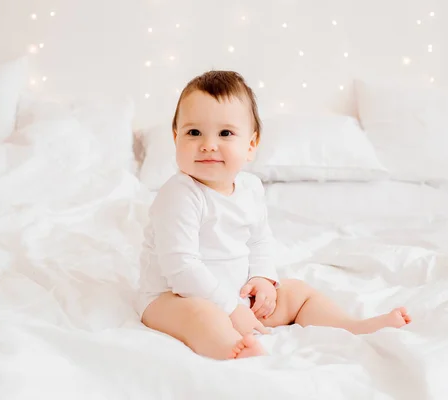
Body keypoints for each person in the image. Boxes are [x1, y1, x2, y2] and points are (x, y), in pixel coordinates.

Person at [135, 70, 411, 360]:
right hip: (172, 299)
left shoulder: (250, 188)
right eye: (194, 132)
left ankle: (352, 327)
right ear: (176, 136)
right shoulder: (180, 194)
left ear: (251, 145)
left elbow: (259, 241)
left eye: (225, 133)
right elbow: (181, 269)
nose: (208, 144)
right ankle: (232, 350)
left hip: (235, 298)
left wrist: (264, 279)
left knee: (298, 292)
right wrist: (230, 309)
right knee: (201, 314)